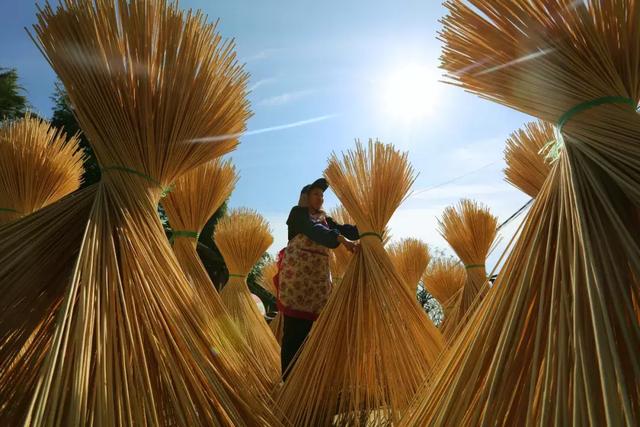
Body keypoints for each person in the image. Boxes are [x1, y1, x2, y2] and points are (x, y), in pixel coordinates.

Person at [275, 178, 359, 380]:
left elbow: (346, 229)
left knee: (305, 331)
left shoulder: (325, 219)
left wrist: (367, 226)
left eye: (322, 195)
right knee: (293, 330)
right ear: (305, 197)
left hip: (315, 282)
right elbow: (315, 231)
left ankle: (298, 378)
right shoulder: (298, 214)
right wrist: (341, 240)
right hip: (297, 279)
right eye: (316, 194)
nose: (320, 198)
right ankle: (287, 379)